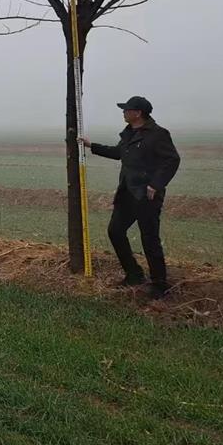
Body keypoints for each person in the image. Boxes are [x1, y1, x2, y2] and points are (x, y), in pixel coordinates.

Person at [80, 96, 180, 298]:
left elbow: (172, 160)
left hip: (147, 196)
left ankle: (160, 285)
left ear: (138, 113)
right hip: (127, 193)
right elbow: (119, 153)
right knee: (115, 231)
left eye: (127, 109)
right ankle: (134, 274)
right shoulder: (128, 133)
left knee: (149, 239)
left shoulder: (158, 134)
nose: (123, 112)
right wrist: (92, 146)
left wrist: (156, 184)